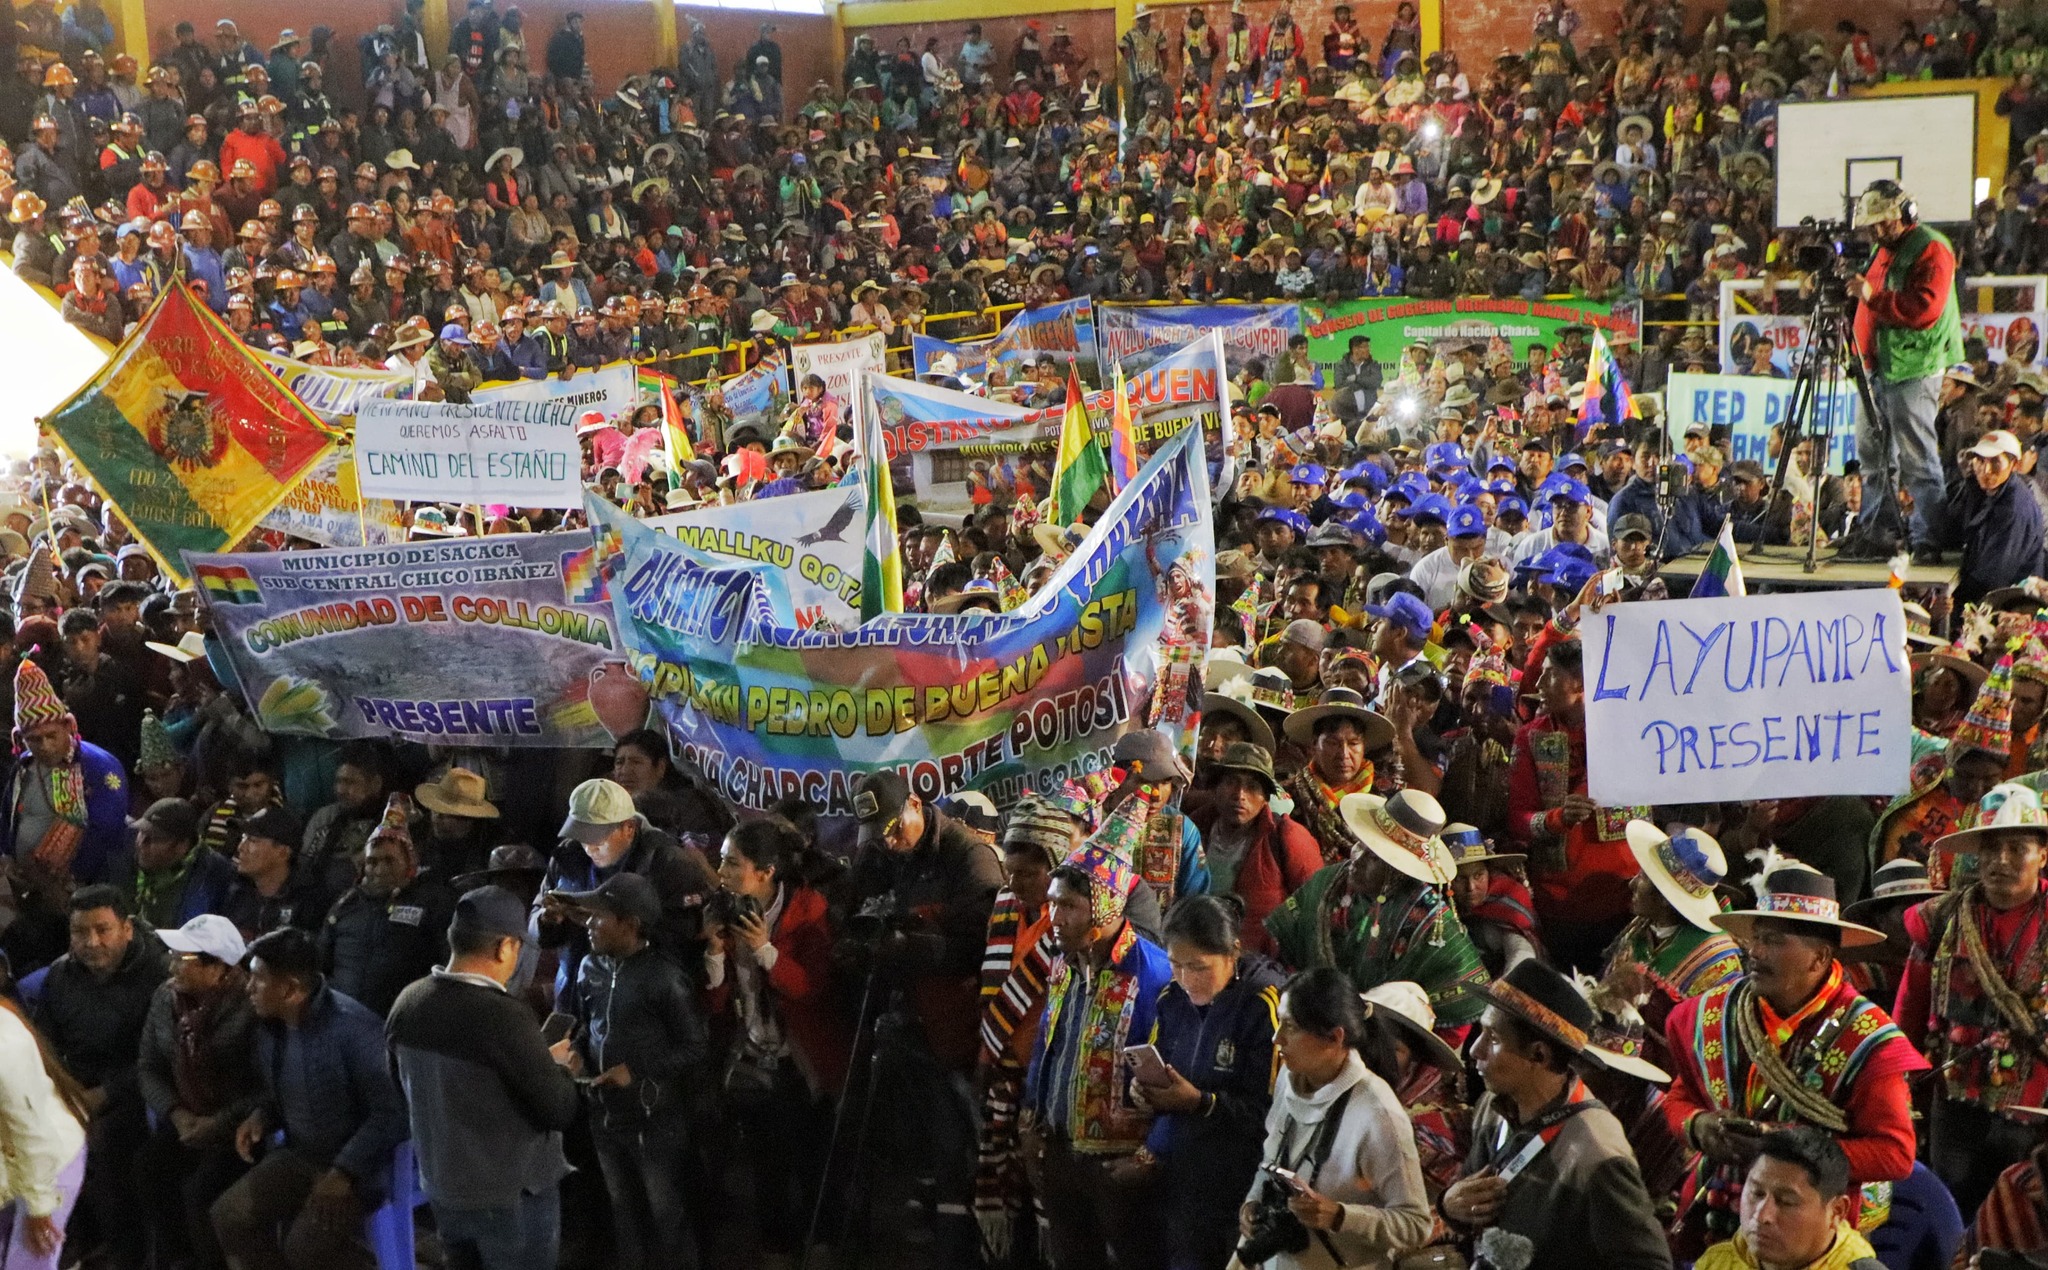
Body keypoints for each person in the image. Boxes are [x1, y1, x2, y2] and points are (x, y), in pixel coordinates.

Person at [1661, 866, 1925, 1253]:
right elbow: (1680, 1097)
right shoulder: (1714, 1015)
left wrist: (1786, 1153)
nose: (1755, 952)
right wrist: (1699, 1125)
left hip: (1809, 1231)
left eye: (1773, 941)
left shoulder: (1867, 1038)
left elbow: (1895, 1154)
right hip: (1714, 1213)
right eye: (1755, 939)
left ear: (1819, 958)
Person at [387, 887, 583, 1270]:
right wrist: (560, 1068)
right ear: (505, 947)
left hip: (444, 1192)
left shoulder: (407, 1002)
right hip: (509, 1198)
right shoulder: (502, 1017)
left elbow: (402, 1090)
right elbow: (557, 1109)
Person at [1439, 959, 1674, 1268]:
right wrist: (1449, 1206)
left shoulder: (1597, 1152)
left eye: (1493, 1039)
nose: (1475, 1051)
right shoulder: (1493, 1107)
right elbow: (1471, 1205)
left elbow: (1650, 1264)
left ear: (1539, 1054)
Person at [1023, 787, 1173, 1270]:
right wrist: (1032, 1113)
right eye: (1052, 904)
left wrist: (1150, 1155)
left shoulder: (1152, 975)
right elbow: (1049, 1042)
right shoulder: (1065, 964)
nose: (1054, 919)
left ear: (1106, 905)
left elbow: (1174, 1073)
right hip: (1062, 1152)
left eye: (1067, 907)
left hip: (1119, 1165)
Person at [211, 927, 408, 1270]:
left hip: (359, 1170)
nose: (248, 988)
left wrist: (343, 1172)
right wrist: (263, 1116)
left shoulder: (354, 1031)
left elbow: (392, 1114)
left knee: (304, 1251)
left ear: (290, 989)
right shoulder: (272, 1027)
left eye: (258, 980)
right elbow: (286, 1089)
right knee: (229, 1216)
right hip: (303, 1155)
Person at [1895, 782, 2048, 1216]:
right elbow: (1911, 1004)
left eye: (2017, 848)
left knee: (2025, 1222)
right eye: (1991, 849)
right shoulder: (1940, 919)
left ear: (2042, 854)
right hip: (1954, 1101)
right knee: (1953, 1212)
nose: (2001, 861)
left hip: (2037, 1109)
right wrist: (1901, 1086)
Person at [703, 817, 843, 1269]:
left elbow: (811, 988)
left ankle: (821, 1247)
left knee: (811, 1161)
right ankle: (777, 1252)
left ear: (766, 872)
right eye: (722, 860)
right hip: (752, 1056)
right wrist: (713, 952)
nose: (720, 871)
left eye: (731, 862)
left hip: (800, 1060)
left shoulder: (808, 910)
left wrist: (766, 950)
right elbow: (716, 1002)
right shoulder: (723, 909)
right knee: (767, 1167)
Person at [1237, 965, 1433, 1269]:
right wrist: (1252, 1202)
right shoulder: (1289, 1081)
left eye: (1290, 1026)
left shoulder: (1378, 1113)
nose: (1277, 1039)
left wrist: (1341, 1216)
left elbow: (1416, 1225)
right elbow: (1271, 1162)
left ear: (1334, 1038)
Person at [560, 873, 709, 1270]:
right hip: (604, 1116)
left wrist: (638, 1071)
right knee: (623, 1213)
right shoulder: (589, 967)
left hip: (654, 1122)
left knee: (666, 1216)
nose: (589, 924)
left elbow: (695, 1046)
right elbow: (584, 1025)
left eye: (599, 917)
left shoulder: (664, 977)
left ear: (630, 923)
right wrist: (577, 1054)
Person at [1133, 894, 1285, 1270]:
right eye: (1175, 965)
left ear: (1232, 953)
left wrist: (1201, 1102)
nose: (1185, 979)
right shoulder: (1171, 1000)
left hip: (1237, 1183)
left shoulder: (1262, 1006)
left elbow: (1270, 1113)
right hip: (1180, 1175)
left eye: (1199, 967)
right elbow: (1161, 1063)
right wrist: (1147, 1093)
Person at [1266, 789, 1489, 1037]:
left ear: (1398, 871)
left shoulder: (1432, 922)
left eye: (1373, 857)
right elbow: (1282, 952)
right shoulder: (1328, 883)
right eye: (1360, 845)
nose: (1357, 859)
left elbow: (1457, 1020)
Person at [31, 884, 164, 1270]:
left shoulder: (156, 975)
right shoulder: (60, 976)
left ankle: (123, 1249)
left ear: (126, 929)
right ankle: (65, 1238)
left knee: (101, 1145)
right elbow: (44, 1045)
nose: (91, 942)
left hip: (137, 1091)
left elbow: (153, 1057)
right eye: (79, 932)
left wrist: (103, 1094)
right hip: (77, 1086)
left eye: (102, 930)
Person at [1841, 179, 1965, 564]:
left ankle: (1929, 539)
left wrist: (1870, 296)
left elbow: (1924, 308)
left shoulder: (1932, 248)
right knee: (1873, 458)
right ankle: (1877, 533)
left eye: (1884, 223)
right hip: (1875, 366)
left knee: (1918, 459)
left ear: (1907, 214)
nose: (1877, 231)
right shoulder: (1882, 249)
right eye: (1871, 225)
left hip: (1913, 366)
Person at [135, 914, 258, 1270]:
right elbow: (149, 1066)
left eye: (183, 959)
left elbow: (268, 1089)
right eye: (172, 955)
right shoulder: (166, 999)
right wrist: (177, 1114)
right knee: (148, 1167)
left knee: (200, 1190)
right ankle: (173, 1260)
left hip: (238, 1128)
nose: (171, 965)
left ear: (219, 969)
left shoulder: (250, 1007)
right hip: (186, 1120)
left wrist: (217, 1123)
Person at [531, 777, 716, 993]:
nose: (590, 847)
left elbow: (686, 936)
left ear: (628, 828)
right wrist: (548, 921)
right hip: (577, 989)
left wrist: (616, 928)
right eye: (582, 836)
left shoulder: (667, 864)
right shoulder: (567, 856)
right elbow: (536, 919)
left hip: (643, 996)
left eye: (598, 838)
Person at [1597, 820, 1744, 1069]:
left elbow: (1707, 1048)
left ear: (1665, 899)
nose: (1632, 883)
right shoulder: (1640, 929)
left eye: (1643, 878)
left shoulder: (1719, 966)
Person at [318, 794, 456, 1016]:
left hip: (402, 1020)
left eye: (389, 861)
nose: (379, 869)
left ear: (409, 864)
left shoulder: (430, 904)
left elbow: (445, 963)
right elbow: (322, 962)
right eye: (372, 862)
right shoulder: (345, 905)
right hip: (342, 1020)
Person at [1187, 742, 1322, 952]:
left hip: (1259, 965)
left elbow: (1316, 909)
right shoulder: (1193, 828)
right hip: (1196, 952)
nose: (1240, 795)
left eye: (1252, 787)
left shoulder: (1288, 836)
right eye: (1232, 782)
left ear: (1265, 799)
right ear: (1216, 787)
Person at [1696, 1127, 1887, 1270]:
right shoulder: (1717, 1262)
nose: (1762, 1216)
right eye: (1757, 1193)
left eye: (1786, 1202)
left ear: (1837, 1211)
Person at [0, 992, 88, 1270]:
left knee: (26, 1264)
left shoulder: (5, 1041)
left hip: (48, 1163)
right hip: (9, 1164)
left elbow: (32, 1130)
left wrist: (40, 1207)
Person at [1926, 430, 2046, 603]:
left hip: (2011, 604)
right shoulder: (1980, 490)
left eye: (1996, 462)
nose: (1986, 469)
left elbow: (1993, 577)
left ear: (2013, 465)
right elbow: (1951, 530)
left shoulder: (2015, 508)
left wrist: (1956, 600)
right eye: (1980, 460)